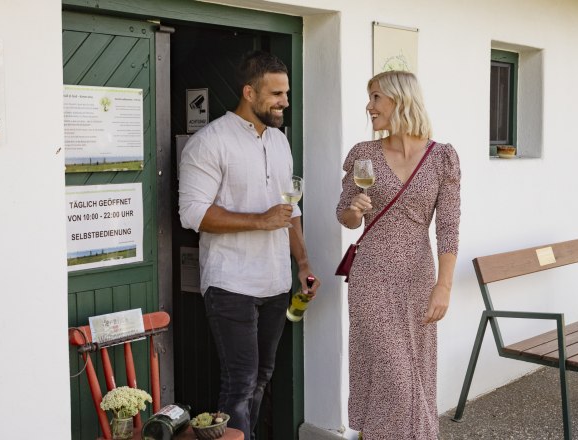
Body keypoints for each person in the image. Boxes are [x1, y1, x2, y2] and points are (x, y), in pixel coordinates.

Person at [178, 50, 320, 439]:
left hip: (275, 282)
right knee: (239, 382)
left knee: (261, 378)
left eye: (286, 93)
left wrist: (303, 264)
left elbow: (290, 209)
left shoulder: (278, 141)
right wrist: (259, 221)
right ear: (248, 92)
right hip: (230, 284)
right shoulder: (209, 143)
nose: (284, 102)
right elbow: (192, 213)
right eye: (276, 94)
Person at [336, 71, 461, 439]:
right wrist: (355, 210)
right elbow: (344, 216)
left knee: (416, 374)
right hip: (371, 276)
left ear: (400, 100)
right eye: (369, 98)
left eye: (376, 97)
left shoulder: (442, 158)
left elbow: (449, 228)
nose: (369, 106)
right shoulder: (365, 154)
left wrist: (444, 286)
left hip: (420, 278)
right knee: (394, 377)